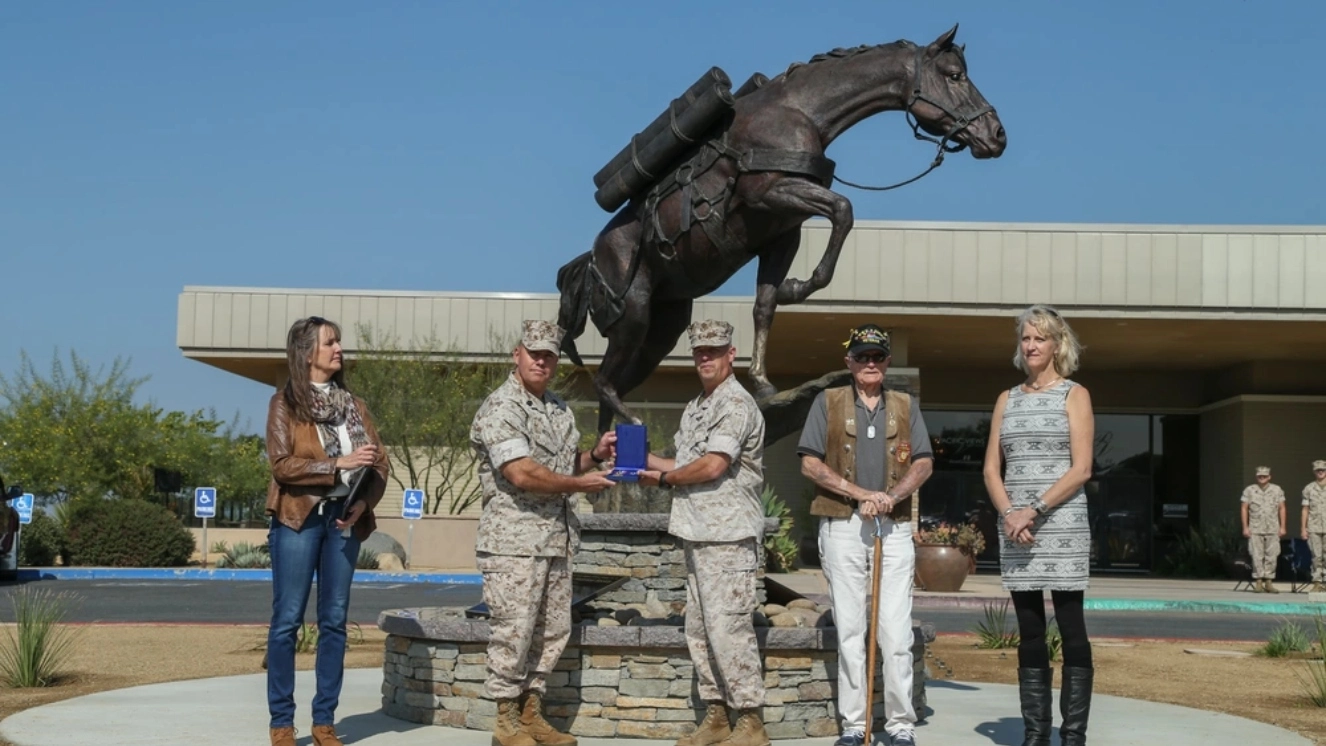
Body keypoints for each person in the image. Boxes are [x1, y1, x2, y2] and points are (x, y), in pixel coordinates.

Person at [470, 320, 617, 746]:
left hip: (555, 539)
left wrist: (592, 457)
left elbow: (561, 467)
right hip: (514, 542)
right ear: (517, 354)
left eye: (548, 355)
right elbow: (521, 473)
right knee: (513, 632)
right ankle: (506, 722)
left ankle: (532, 712)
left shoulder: (558, 409)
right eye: (533, 352)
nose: (541, 360)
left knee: (551, 633)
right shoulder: (502, 407)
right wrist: (580, 485)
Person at [796, 323, 933, 746]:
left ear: (888, 362)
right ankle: (855, 726)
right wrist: (859, 494)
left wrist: (891, 497)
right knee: (851, 629)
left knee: (894, 630)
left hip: (891, 527)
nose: (869, 364)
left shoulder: (905, 406)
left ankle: (900, 725)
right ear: (848, 362)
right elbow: (809, 464)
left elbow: (924, 463)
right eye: (862, 357)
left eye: (877, 357)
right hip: (843, 523)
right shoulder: (828, 402)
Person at [638, 319, 769, 746]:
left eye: (714, 350)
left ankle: (749, 720)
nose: (706, 358)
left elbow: (713, 465)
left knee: (729, 629)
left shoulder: (736, 403)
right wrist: (637, 458)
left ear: (732, 354)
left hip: (728, 536)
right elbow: (680, 463)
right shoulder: (697, 406)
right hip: (697, 533)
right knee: (700, 629)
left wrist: (660, 481)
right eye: (700, 352)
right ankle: (716, 715)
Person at [265, 316, 390, 746]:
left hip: (343, 521)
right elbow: (282, 465)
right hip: (298, 519)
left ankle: (324, 723)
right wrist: (337, 464)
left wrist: (362, 502)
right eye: (329, 342)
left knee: (334, 622)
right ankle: (282, 724)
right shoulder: (284, 404)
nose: (338, 349)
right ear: (306, 352)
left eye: (338, 342)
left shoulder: (355, 405)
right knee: (287, 622)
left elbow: (380, 463)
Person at [982, 305, 1094, 746]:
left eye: (1040, 338)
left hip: (1062, 526)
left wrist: (1036, 509)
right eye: (1026, 338)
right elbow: (992, 468)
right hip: (1016, 530)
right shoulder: (1006, 399)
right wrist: (1011, 513)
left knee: (1070, 626)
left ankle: (1072, 735)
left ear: (1056, 345)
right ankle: (1035, 734)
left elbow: (1082, 468)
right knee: (1029, 629)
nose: (1031, 346)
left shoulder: (1075, 395)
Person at [1242, 466, 1286, 593]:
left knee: (1272, 556)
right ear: (1256, 477)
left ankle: (1269, 581)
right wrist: (1245, 526)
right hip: (1255, 528)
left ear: (1269, 477)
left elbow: (1282, 508)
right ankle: (1258, 582)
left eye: (1264, 476)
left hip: (1272, 528)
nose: (1262, 478)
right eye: (1260, 476)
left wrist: (1283, 526)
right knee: (1256, 555)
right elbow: (1244, 508)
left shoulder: (1277, 490)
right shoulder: (1249, 490)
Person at [1303, 460, 1326, 593]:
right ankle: (1317, 582)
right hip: (1314, 527)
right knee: (1316, 556)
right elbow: (1305, 509)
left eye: (1323, 470)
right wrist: (1303, 528)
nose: (1321, 472)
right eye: (1318, 470)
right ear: (1314, 472)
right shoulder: (1309, 488)